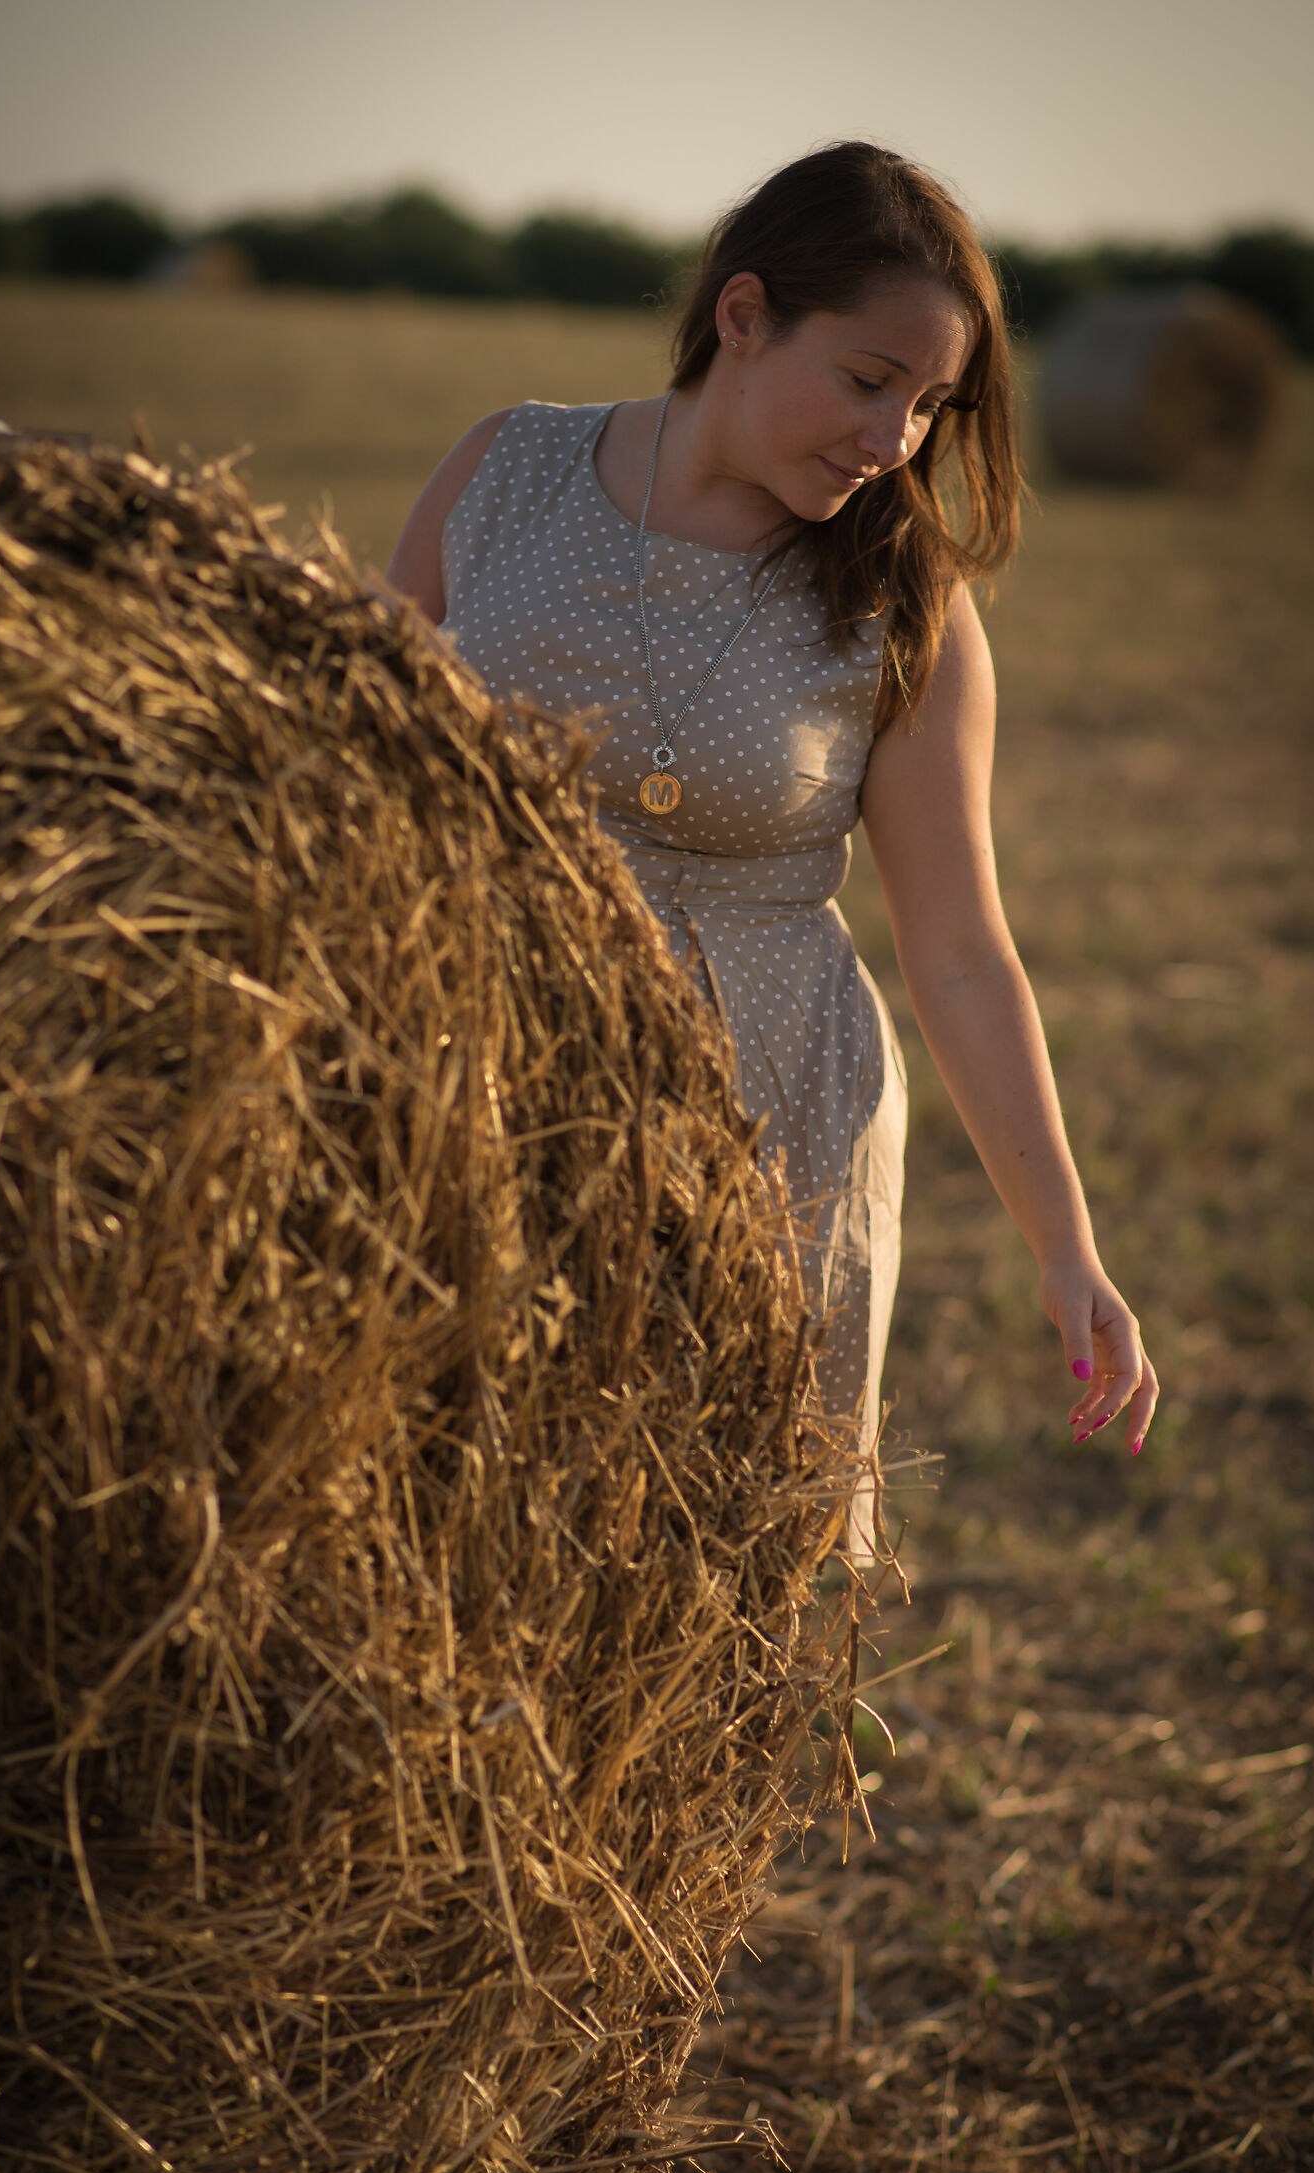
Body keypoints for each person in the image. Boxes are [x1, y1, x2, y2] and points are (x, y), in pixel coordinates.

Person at [385, 141, 1158, 1565]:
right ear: (741, 315)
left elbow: (962, 951)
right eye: (870, 381)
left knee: (703, 1579)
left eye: (930, 407)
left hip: (763, 1120)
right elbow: (352, 756)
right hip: (477, 1075)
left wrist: (1066, 1249)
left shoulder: (901, 589)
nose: (895, 442)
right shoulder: (510, 465)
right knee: (446, 1543)